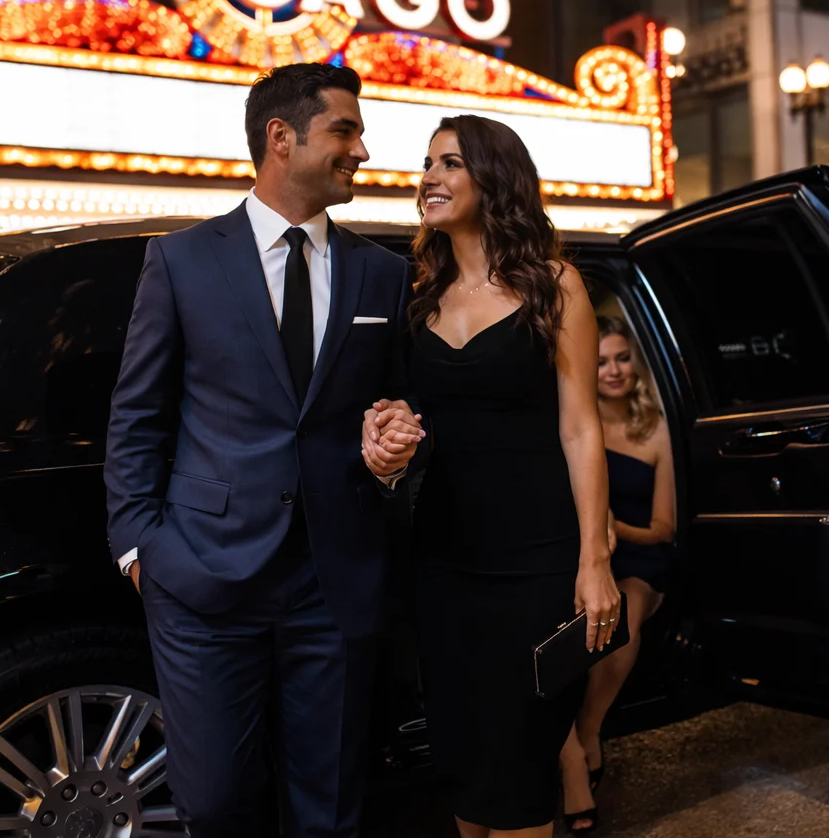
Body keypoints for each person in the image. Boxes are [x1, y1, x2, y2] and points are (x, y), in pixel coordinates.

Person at [104, 62, 426, 838]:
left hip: (334, 578)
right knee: (214, 803)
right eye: (346, 130)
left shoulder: (382, 276)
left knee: (331, 809)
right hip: (202, 576)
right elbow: (137, 414)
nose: (363, 149)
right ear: (281, 138)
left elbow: (398, 409)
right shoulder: (181, 261)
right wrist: (139, 549)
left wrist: (393, 454)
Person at [363, 114, 620, 838]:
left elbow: (580, 429)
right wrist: (391, 431)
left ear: (493, 177)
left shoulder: (555, 285)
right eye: (426, 164)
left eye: (449, 163)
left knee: (520, 766)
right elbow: (406, 413)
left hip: (537, 562)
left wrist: (593, 560)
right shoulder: (418, 292)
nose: (429, 178)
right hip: (444, 560)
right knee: (464, 757)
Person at [558, 315, 676, 833]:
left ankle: (589, 729)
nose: (612, 369)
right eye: (601, 359)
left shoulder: (655, 430)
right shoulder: (568, 419)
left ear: (636, 364)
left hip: (637, 559)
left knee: (622, 612)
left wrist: (610, 524)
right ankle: (567, 752)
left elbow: (663, 528)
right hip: (573, 555)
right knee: (547, 623)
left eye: (622, 358)